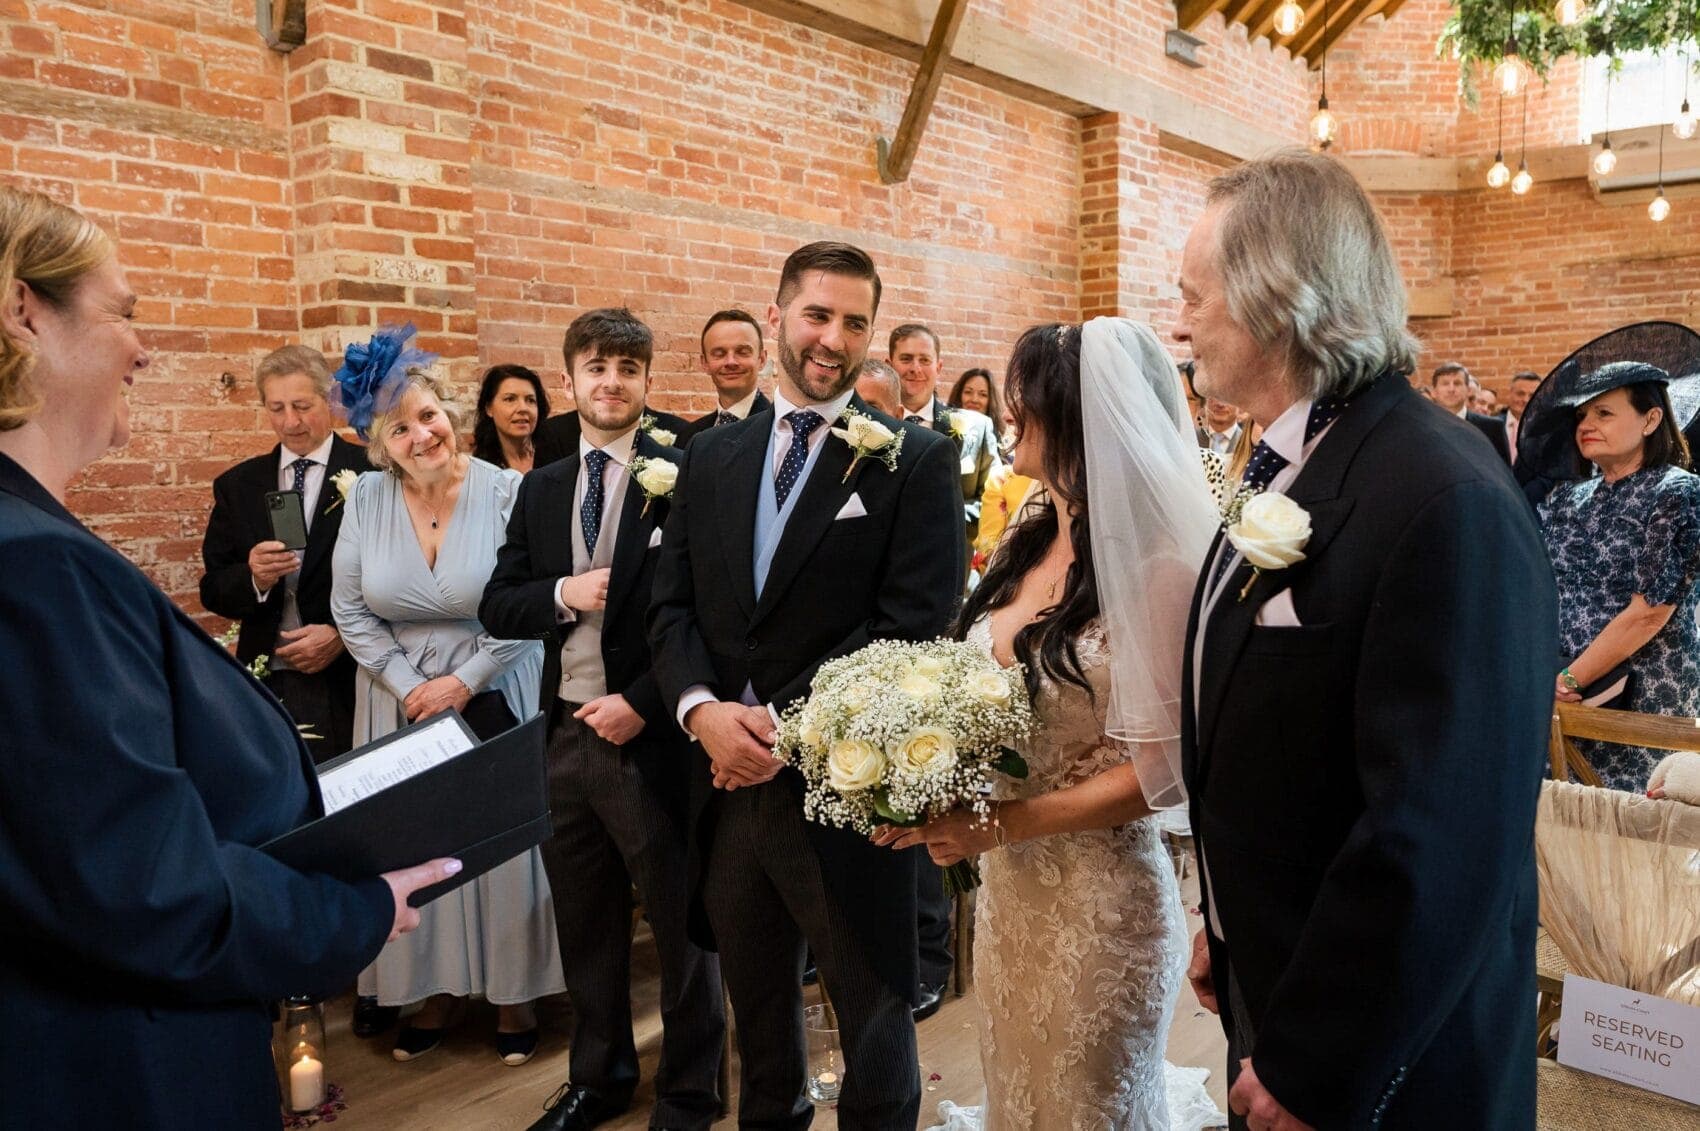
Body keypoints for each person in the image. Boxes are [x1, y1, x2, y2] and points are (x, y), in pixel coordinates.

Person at [0, 183, 454, 1128]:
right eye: (123, 311)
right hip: (119, 1069)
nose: (145, 346)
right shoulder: (33, 565)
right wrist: (355, 908)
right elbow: (146, 887)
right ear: (22, 312)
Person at [1174, 151, 1555, 1129]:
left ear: (1275, 298)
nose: (1179, 325)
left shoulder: (1440, 495)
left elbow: (1435, 830)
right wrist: (1230, 921)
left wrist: (1318, 1062)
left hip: (1391, 1056)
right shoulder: (1293, 464)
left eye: (1193, 296)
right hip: (1287, 966)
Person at [879, 318, 1226, 1130]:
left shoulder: (1159, 565)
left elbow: (1162, 774)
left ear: (1072, 415)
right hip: (1010, 897)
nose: (1006, 409)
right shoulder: (1028, 532)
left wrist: (1000, 823)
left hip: (1103, 913)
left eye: (1021, 395)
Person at [649, 241, 963, 1128]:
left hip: (842, 794)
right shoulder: (709, 457)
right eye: (818, 314)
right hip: (724, 796)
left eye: (855, 321)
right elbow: (670, 609)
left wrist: (777, 731)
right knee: (763, 1038)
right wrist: (702, 712)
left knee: (873, 1029)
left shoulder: (914, 459)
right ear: (778, 313)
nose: (833, 338)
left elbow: (910, 629)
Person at [481, 309, 726, 1131]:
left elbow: (710, 617)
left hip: (653, 736)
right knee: (584, 919)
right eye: (596, 367)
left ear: (648, 382)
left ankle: (691, 1088)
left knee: (679, 919)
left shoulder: (686, 469)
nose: (611, 382)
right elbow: (499, 600)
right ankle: (601, 1075)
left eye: (627, 368)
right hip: (561, 735)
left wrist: (647, 703)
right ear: (571, 380)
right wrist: (562, 593)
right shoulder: (542, 487)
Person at [330, 341, 565, 1065]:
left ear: (452, 413)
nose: (420, 435)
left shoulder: (507, 491)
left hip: (496, 679)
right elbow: (348, 608)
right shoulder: (366, 499)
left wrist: (465, 680)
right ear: (379, 444)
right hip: (398, 697)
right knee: (415, 840)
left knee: (498, 843)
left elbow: (535, 604)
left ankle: (514, 990)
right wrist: (410, 686)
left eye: (427, 416)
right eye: (398, 429)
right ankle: (431, 986)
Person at [1524, 326, 1700, 792]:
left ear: (1650, 419)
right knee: (1564, 827)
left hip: (1643, 693)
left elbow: (1651, 612)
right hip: (1565, 694)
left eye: (1604, 412)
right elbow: (1537, 584)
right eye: (1582, 414)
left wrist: (1567, 678)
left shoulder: (1677, 492)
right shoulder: (1566, 497)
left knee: (1631, 835)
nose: (1586, 424)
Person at [200, 344, 369, 761]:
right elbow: (213, 587)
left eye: (301, 405)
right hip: (268, 679)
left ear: (329, 400)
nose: (290, 422)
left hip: (352, 676)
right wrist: (253, 578)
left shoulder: (372, 473)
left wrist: (342, 636)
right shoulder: (238, 485)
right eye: (276, 408)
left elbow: (401, 577)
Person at [891, 322, 1001, 546]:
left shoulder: (977, 428)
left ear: (938, 367)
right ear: (889, 364)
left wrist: (943, 517)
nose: (915, 368)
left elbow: (993, 498)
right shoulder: (869, 426)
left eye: (924, 360)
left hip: (953, 558)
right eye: (906, 359)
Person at [676, 308, 772, 447]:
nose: (730, 362)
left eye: (742, 352)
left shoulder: (780, 430)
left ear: (761, 359)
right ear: (705, 363)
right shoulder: (689, 437)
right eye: (719, 354)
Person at [472, 362, 551, 472]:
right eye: (510, 399)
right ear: (489, 408)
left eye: (530, 400)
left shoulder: (555, 457)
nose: (523, 408)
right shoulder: (480, 470)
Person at [1431, 361, 1512, 463]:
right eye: (1445, 383)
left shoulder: (1492, 427)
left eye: (1457, 383)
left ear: (1468, 390)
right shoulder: (1423, 425)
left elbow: (1504, 472)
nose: (1451, 389)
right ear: (1433, 392)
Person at [949, 366, 1004, 435]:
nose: (974, 400)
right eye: (968, 392)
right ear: (958, 395)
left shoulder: (1000, 437)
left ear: (991, 400)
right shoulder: (942, 430)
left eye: (983, 394)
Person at [1504, 370, 1540, 465]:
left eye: (1532, 395)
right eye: (1520, 394)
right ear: (1510, 394)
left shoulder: (1544, 431)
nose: (1525, 400)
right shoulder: (1491, 426)